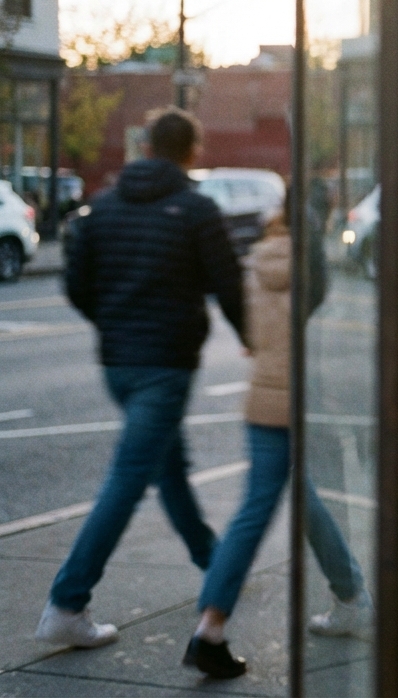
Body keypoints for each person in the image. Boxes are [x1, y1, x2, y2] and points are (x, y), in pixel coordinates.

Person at [37, 108, 245, 648]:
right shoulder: (198, 210)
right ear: (192, 152)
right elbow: (229, 286)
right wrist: (253, 339)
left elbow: (77, 283)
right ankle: (67, 600)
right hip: (166, 365)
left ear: (145, 146)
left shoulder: (102, 208)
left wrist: (112, 322)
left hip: (118, 363)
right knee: (129, 479)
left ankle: (216, 568)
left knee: (168, 469)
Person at [182, 200, 370, 679]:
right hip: (298, 398)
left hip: (263, 398)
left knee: (295, 497)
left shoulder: (260, 259)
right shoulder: (310, 269)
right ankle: (211, 627)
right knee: (260, 508)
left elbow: (249, 331)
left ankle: (350, 592)